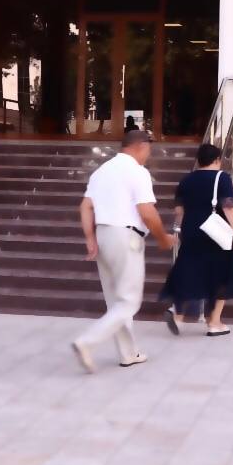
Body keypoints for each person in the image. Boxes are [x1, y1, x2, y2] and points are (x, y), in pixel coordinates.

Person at [72, 130, 175, 373]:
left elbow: (85, 206)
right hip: (126, 237)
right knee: (128, 302)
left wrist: (90, 238)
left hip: (103, 234)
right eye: (149, 149)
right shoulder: (137, 172)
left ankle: (128, 353)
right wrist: (163, 238)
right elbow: (147, 211)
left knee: (116, 301)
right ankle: (86, 342)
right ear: (141, 146)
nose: (149, 154)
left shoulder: (101, 171)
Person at [159, 143, 233, 337]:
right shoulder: (222, 178)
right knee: (223, 274)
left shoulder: (186, 180)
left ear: (198, 160)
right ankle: (214, 322)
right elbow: (230, 207)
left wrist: (180, 230)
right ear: (217, 160)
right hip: (216, 235)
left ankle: (178, 314)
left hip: (191, 231)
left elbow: (179, 210)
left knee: (190, 270)